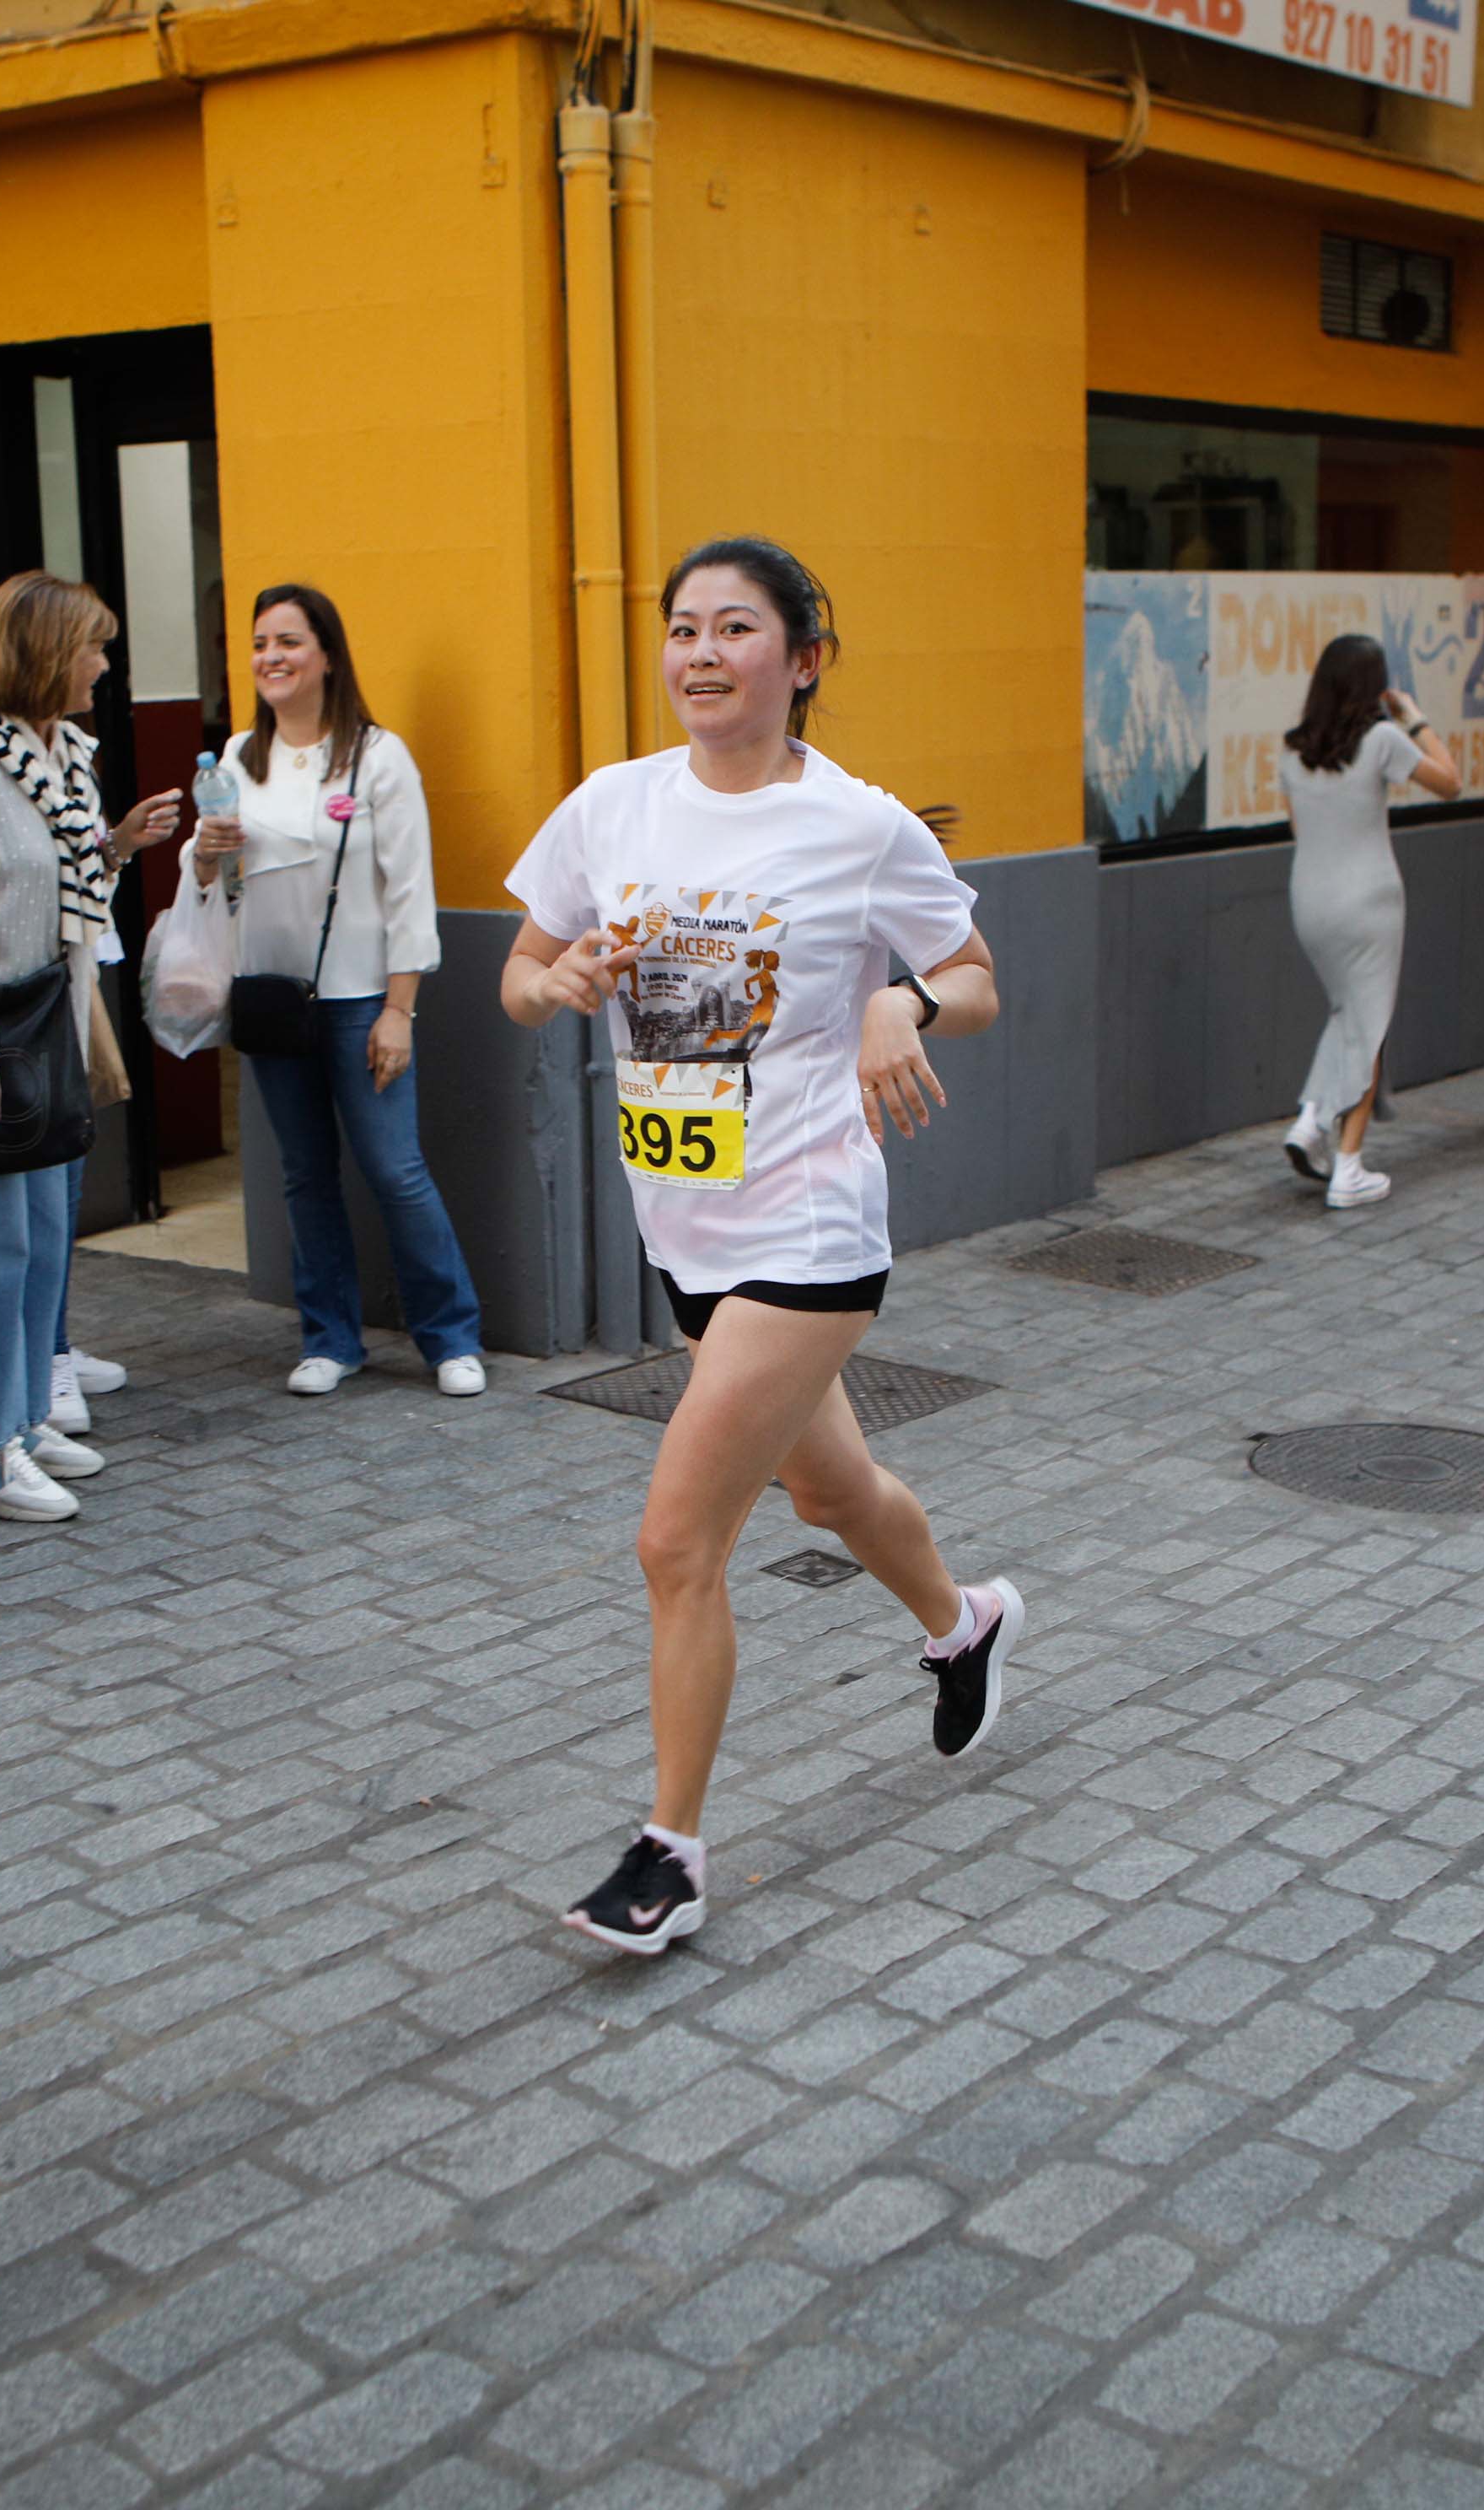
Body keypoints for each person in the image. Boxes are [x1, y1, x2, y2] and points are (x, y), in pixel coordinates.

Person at [500, 535, 1014, 1955]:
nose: (699, 654)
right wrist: (562, 977)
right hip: (687, 1228)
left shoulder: (857, 827)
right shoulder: (609, 809)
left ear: (801, 660)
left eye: (734, 629)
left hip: (807, 1227)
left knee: (677, 1540)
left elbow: (971, 977)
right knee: (827, 1491)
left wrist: (898, 1008)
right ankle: (962, 1621)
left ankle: (666, 1855)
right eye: (680, 629)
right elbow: (519, 974)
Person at [0, 570, 180, 1516]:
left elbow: (44, 885)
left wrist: (118, 848)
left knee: (39, 1238)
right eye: (92, 645)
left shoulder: (56, 751)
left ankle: (16, 1422)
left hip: (40, 1014)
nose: (103, 664)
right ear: (45, 651)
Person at [189, 583, 488, 1398]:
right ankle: (330, 1337)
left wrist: (399, 1009)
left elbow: (407, 892)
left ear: (327, 654)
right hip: (271, 996)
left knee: (395, 1169)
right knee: (303, 1172)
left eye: (288, 641)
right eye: (259, 644)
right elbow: (215, 882)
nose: (271, 658)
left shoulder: (377, 756)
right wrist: (206, 853)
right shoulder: (238, 757)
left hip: (362, 999)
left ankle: (451, 1334)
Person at [1276, 633, 1460, 1209]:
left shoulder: (1291, 750)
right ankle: (1348, 1166)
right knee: (1369, 1023)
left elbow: (1300, 831)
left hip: (1310, 900)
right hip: (1370, 903)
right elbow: (1451, 782)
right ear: (1373, 687)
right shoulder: (1381, 740)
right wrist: (1416, 719)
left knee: (1349, 1013)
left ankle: (1311, 1119)